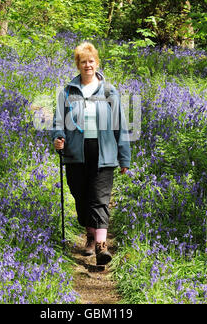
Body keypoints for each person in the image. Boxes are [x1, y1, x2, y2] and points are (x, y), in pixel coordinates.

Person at [51, 42, 131, 265]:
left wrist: (124, 157)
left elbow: (120, 126)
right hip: (76, 153)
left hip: (104, 152)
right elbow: (59, 121)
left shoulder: (109, 92)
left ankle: (101, 245)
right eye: (83, 61)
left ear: (97, 63)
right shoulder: (67, 92)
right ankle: (89, 235)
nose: (88, 65)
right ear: (78, 64)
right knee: (81, 197)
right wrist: (58, 138)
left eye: (91, 61)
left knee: (100, 199)